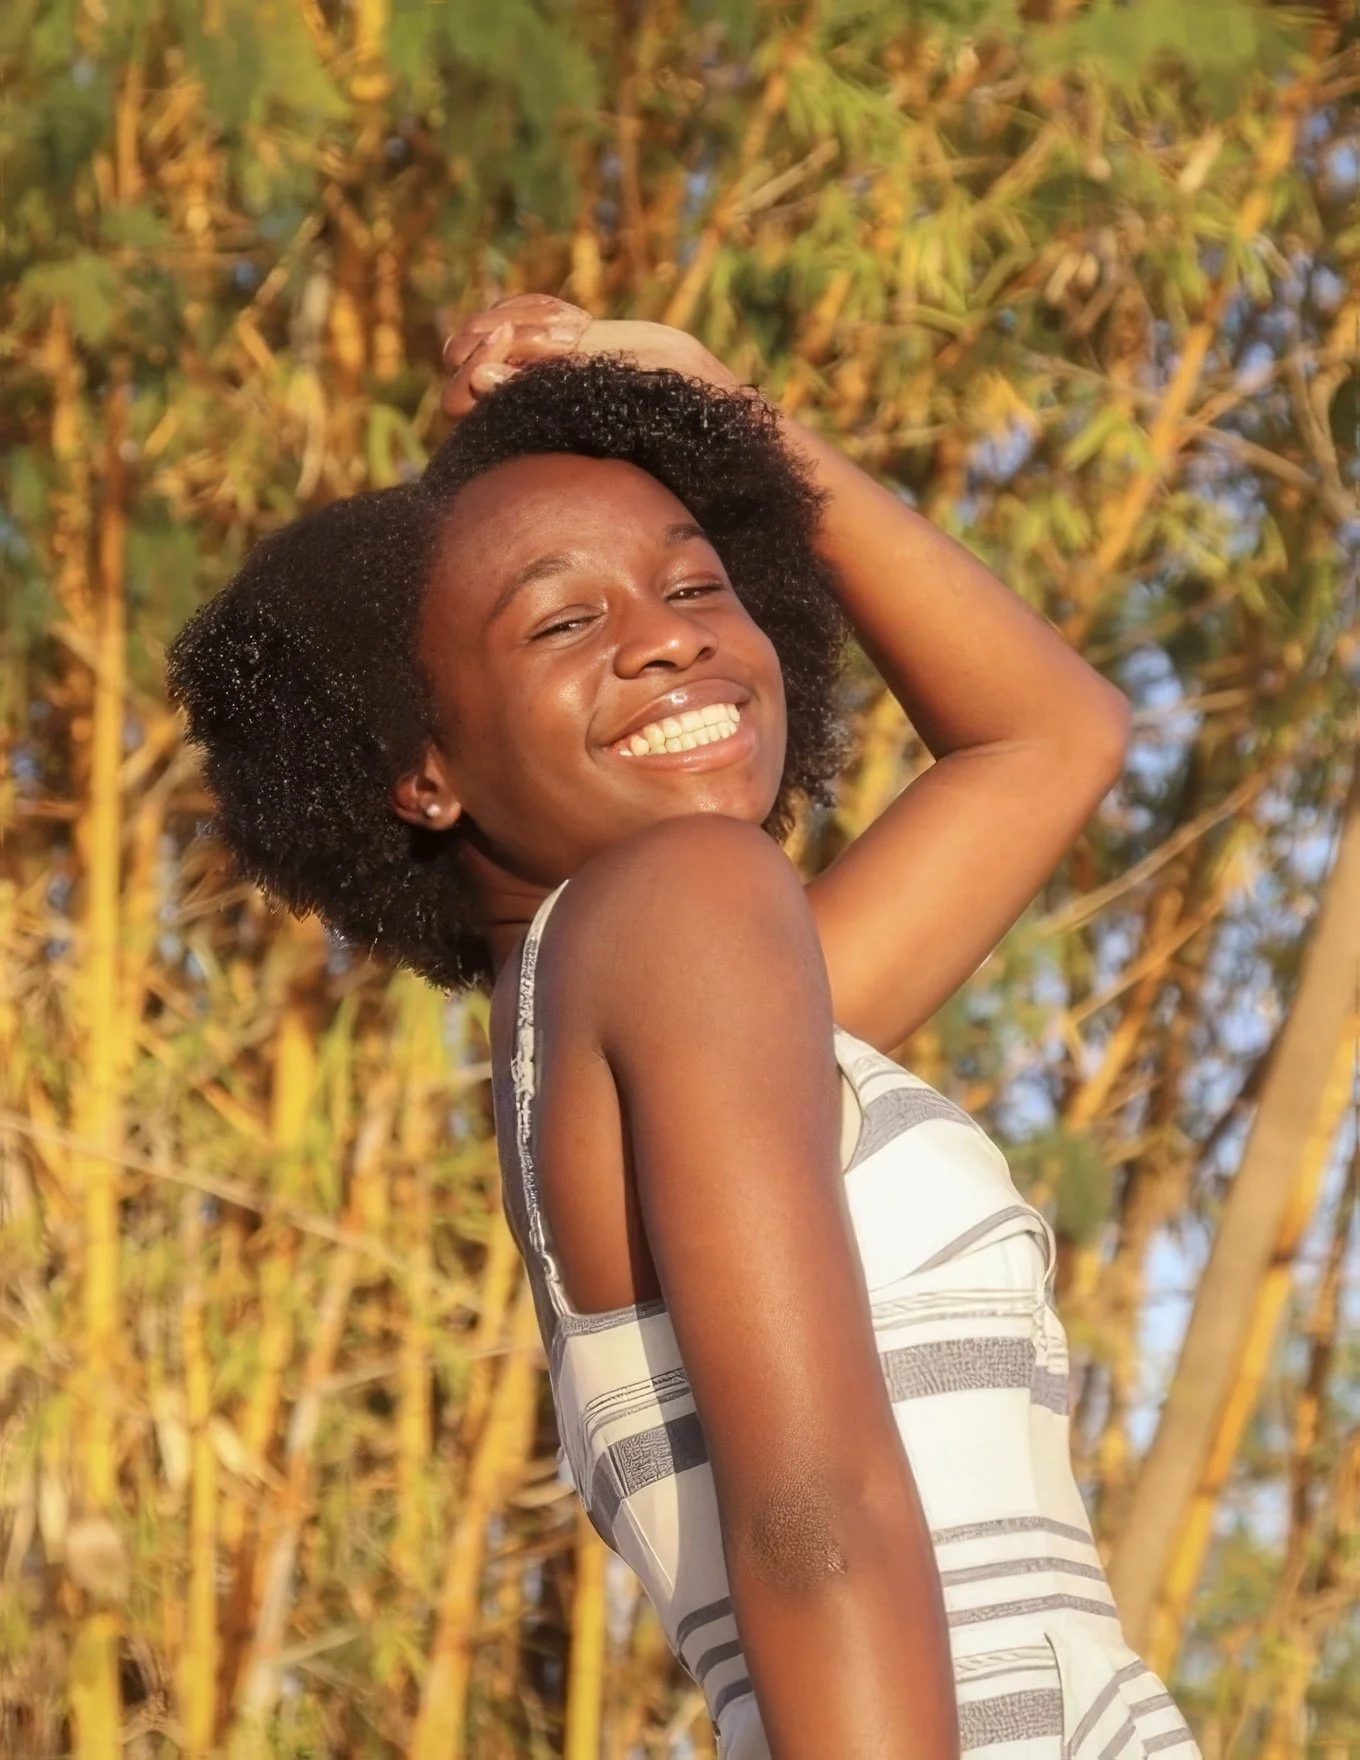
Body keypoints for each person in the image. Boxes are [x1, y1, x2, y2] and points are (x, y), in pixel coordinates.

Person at [168, 294, 1201, 1760]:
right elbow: (816, 1516)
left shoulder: (633, 1008)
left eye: (700, 584)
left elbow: (1050, 736)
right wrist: (733, 413)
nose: (669, 643)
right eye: (565, 620)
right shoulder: (686, 904)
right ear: (424, 770)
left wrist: (728, 419)